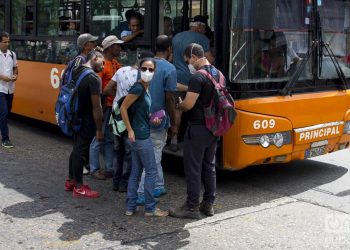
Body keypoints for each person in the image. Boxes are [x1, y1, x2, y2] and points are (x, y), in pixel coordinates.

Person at [169, 43, 219, 219]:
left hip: (198, 128)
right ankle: (208, 204)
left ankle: (191, 207)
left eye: (188, 60)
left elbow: (188, 105)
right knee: (209, 166)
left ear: (194, 57)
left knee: (193, 168)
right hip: (214, 128)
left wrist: (179, 104)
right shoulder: (218, 74)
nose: (189, 64)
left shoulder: (197, 77)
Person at [121, 57, 168, 217]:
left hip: (140, 133)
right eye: (144, 69)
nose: (147, 72)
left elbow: (138, 111)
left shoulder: (144, 89)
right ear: (139, 69)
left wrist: (151, 118)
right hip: (140, 136)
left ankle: (131, 207)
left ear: (155, 72)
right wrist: (130, 130)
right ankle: (150, 208)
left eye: (151, 69)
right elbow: (123, 108)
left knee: (136, 171)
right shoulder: (138, 88)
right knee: (151, 171)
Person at [104, 50, 154, 192]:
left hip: (116, 116)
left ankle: (115, 181)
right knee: (128, 153)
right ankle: (124, 183)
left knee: (117, 150)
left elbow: (107, 89)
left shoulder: (121, 70)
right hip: (129, 119)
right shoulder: (141, 79)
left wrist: (119, 98)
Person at [136, 35, 177, 204]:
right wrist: (174, 122)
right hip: (157, 120)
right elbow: (170, 98)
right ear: (169, 49)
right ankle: (142, 193)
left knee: (155, 151)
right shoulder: (170, 69)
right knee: (153, 157)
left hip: (141, 117)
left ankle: (158, 185)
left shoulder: (144, 65)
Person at [64, 50, 105, 198]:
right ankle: (79, 187)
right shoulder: (94, 78)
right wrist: (99, 129)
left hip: (73, 116)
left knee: (76, 149)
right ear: (95, 58)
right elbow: (97, 107)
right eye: (102, 61)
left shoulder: (76, 69)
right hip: (86, 120)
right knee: (80, 151)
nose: (104, 65)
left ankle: (71, 181)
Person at [171, 15, 213, 151]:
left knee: (178, 110)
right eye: (204, 28)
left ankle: (174, 138)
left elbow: (171, 57)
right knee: (196, 109)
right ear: (200, 27)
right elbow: (209, 61)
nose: (205, 31)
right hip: (195, 80)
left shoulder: (176, 37)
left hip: (177, 78)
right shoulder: (203, 39)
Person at [89, 35, 123, 180]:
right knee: (98, 137)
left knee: (109, 138)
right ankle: (94, 168)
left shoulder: (115, 63)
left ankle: (109, 168)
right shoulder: (102, 65)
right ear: (109, 48)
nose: (120, 48)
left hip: (112, 106)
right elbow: (97, 90)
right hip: (104, 107)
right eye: (117, 46)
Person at [0, 32, 18, 148]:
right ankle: (5, 139)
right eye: (4, 42)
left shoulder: (12, 54)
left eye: (8, 41)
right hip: (0, 88)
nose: (7, 44)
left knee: (6, 113)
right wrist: (4, 78)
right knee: (4, 112)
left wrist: (15, 75)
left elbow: (15, 67)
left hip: (10, 89)